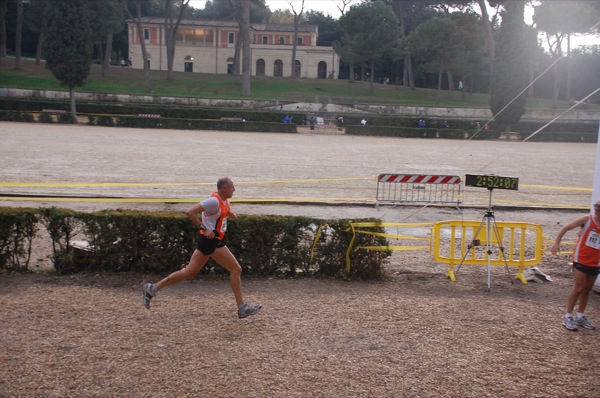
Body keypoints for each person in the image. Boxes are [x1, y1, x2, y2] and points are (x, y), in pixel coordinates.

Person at [142, 177, 262, 319]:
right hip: (211, 241)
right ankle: (242, 308)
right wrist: (204, 228)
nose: (234, 189)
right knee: (236, 269)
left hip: (208, 242)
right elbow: (190, 212)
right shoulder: (213, 201)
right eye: (232, 187)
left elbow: (217, 213)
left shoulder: (225, 200)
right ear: (223, 189)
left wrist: (229, 214)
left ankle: (152, 288)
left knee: (188, 273)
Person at [551, 200, 600, 331]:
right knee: (579, 288)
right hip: (580, 259)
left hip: (595, 262)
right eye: (596, 206)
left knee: (587, 290)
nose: (596, 209)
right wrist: (556, 243)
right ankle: (567, 316)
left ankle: (580, 316)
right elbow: (565, 228)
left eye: (599, 207)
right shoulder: (586, 220)